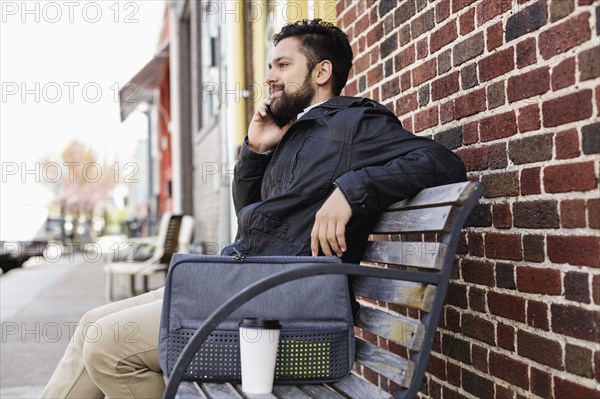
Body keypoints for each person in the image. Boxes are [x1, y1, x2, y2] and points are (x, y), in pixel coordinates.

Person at [41, 19, 466, 399]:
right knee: (91, 323)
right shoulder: (295, 132)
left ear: (322, 72)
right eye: (270, 67)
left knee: (109, 346)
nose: (269, 77)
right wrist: (255, 152)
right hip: (245, 281)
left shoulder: (354, 123)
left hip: (283, 306)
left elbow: (442, 162)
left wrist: (351, 190)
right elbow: (252, 217)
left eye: (283, 65)